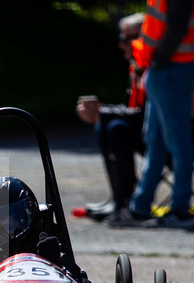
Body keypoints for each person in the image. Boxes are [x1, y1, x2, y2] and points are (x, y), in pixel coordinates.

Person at [107, 0, 194, 229]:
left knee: (177, 141)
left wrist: (159, 60)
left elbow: (177, 26)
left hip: (172, 67)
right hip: (168, 67)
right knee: (155, 140)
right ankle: (140, 207)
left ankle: (181, 210)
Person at [76, 13, 147, 220]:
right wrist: (100, 112)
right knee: (105, 125)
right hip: (145, 129)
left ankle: (125, 201)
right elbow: (131, 108)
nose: (121, 45)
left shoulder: (153, 67)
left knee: (117, 128)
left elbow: (145, 114)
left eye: (126, 39)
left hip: (165, 136)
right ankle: (118, 198)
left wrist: (102, 111)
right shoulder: (137, 67)